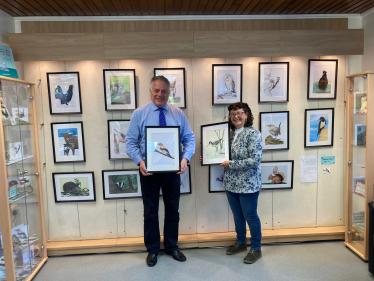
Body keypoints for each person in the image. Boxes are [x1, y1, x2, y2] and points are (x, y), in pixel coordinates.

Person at [126, 76, 195, 267]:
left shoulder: (178, 114)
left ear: (169, 93)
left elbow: (189, 138)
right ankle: (153, 250)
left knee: (173, 210)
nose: (160, 94)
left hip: (172, 171)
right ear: (150, 91)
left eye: (164, 91)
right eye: (156, 90)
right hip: (148, 171)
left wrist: (185, 158)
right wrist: (139, 161)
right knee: (150, 212)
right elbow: (130, 142)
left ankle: (171, 247)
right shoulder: (139, 113)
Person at [220, 102, 263, 264]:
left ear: (246, 115)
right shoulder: (228, 134)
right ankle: (241, 243)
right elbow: (221, 154)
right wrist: (209, 157)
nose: (236, 116)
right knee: (238, 215)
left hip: (248, 183)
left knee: (250, 216)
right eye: (232, 114)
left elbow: (254, 160)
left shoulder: (254, 134)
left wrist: (230, 164)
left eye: (239, 113)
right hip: (231, 182)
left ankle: (256, 248)